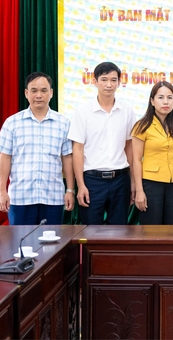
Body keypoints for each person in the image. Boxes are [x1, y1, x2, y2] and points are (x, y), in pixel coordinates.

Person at [0, 72, 74, 225]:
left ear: (51, 93)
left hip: (53, 196)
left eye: (44, 90)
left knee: (52, 245)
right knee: (21, 244)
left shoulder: (64, 123)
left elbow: (67, 159)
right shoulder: (12, 123)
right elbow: (5, 158)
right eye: (34, 90)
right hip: (21, 196)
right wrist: (2, 191)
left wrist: (70, 190)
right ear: (26, 93)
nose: (39, 95)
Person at [68, 62, 137, 225]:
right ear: (95, 81)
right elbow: (77, 149)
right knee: (91, 231)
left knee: (119, 231)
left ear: (119, 83)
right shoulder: (83, 112)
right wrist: (81, 185)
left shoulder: (127, 110)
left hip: (120, 180)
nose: (109, 84)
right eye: (104, 79)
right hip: (92, 181)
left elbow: (129, 147)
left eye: (113, 80)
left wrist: (133, 182)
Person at [131, 82, 173, 224]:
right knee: (152, 229)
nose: (166, 102)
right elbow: (136, 160)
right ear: (152, 101)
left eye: (170, 98)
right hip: (151, 184)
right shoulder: (142, 125)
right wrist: (139, 191)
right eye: (161, 97)